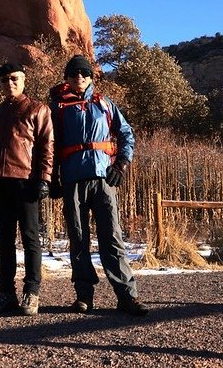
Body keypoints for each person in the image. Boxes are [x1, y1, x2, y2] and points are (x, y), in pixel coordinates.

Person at [49, 55, 147, 316]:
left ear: (91, 77)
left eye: (83, 73)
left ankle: (127, 296)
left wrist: (122, 164)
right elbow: (51, 144)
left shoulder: (104, 104)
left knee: (111, 237)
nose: (78, 77)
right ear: (66, 78)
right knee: (78, 239)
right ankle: (84, 297)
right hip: (72, 180)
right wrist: (53, 178)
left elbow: (126, 132)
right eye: (73, 73)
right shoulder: (57, 107)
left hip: (103, 178)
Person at [0, 62, 54, 316]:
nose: (9, 83)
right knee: (4, 241)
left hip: (26, 181)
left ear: (24, 79)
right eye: (4, 80)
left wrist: (44, 179)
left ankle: (32, 292)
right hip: (0, 183)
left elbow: (47, 146)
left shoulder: (38, 109)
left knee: (30, 238)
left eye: (14, 78)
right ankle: (6, 293)